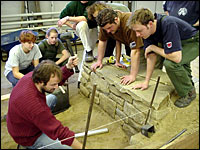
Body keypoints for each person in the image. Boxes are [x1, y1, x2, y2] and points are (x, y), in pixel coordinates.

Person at [6, 56, 85, 149]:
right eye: (53, 85)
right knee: (69, 148)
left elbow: (52, 79)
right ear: (40, 82)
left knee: (52, 98)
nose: (57, 87)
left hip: (22, 120)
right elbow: (59, 131)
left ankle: (42, 123)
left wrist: (67, 67)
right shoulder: (35, 106)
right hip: (27, 137)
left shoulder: (33, 76)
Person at [127, 8, 199, 108]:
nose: (137, 35)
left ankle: (187, 93)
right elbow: (151, 56)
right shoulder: (147, 33)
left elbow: (176, 57)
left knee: (171, 64)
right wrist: (146, 82)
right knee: (180, 63)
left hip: (193, 41)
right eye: (135, 31)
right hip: (179, 41)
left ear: (150, 24)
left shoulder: (167, 24)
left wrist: (153, 47)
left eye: (139, 31)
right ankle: (189, 86)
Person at [91, 8, 147, 85]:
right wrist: (99, 61)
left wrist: (132, 76)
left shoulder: (129, 23)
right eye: (105, 29)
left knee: (145, 72)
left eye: (109, 28)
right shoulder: (105, 24)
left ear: (116, 20)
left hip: (148, 43)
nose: (108, 31)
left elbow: (136, 50)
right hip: (131, 43)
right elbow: (103, 41)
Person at [57, 1, 97, 88]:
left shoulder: (93, 2)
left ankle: (80, 78)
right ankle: (88, 49)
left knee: (87, 54)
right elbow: (61, 17)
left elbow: (84, 18)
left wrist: (68, 18)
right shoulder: (73, 4)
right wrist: (71, 26)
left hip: (93, 28)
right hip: (81, 28)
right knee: (82, 25)